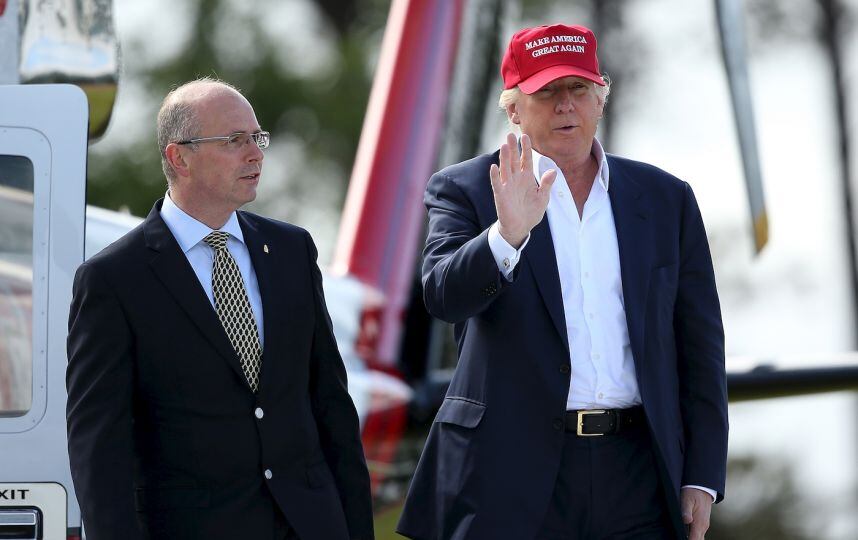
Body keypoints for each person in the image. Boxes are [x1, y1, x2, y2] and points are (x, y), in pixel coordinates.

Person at [397, 24, 727, 540]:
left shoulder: (666, 198)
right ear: (513, 109)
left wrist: (702, 476)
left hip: (639, 470)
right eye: (547, 92)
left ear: (600, 99)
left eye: (578, 88)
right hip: (510, 473)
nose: (565, 105)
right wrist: (506, 235)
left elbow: (700, 346)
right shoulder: (466, 189)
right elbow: (442, 296)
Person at [66, 78, 374, 540]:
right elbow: (98, 449)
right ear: (179, 158)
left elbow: (332, 409)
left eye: (257, 138)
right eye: (234, 140)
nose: (255, 154)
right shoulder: (113, 279)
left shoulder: (292, 250)